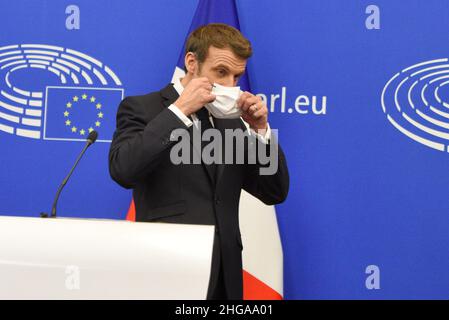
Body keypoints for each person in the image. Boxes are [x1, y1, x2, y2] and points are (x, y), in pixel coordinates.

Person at [109, 23, 289, 300]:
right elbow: (124, 169)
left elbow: (273, 191)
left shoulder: (234, 124)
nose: (230, 85)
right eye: (221, 72)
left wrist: (261, 131)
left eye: (236, 76)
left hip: (225, 278)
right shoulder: (142, 108)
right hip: (165, 271)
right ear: (192, 62)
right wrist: (179, 111)